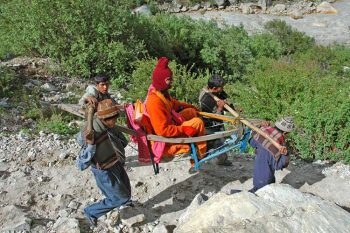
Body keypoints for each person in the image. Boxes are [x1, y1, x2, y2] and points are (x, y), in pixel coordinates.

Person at [76, 99, 132, 227]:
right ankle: (91, 212)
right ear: (104, 119)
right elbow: (81, 163)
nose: (115, 121)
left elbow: (122, 142)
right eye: (113, 118)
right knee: (118, 198)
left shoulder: (108, 126)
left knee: (126, 189)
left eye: (115, 117)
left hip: (115, 162)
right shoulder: (92, 131)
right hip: (103, 170)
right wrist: (90, 145)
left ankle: (124, 202)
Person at [145, 57, 207, 161]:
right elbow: (162, 131)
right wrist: (183, 129)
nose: (172, 81)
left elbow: (174, 104)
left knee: (191, 112)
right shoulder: (154, 101)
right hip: (165, 137)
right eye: (169, 79)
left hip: (172, 123)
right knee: (198, 122)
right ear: (163, 81)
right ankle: (200, 153)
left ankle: (196, 138)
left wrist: (191, 106)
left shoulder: (161, 93)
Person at [248, 116, 294, 193]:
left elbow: (252, 142)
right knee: (261, 193)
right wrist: (286, 154)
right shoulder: (281, 146)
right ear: (285, 133)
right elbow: (279, 165)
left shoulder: (262, 130)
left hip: (258, 178)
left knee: (257, 189)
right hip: (266, 181)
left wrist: (259, 127)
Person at [198, 74, 232, 166]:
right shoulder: (206, 99)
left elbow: (223, 98)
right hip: (211, 125)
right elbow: (213, 117)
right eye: (221, 88)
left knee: (218, 142)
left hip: (217, 123)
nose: (222, 89)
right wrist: (220, 108)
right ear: (214, 88)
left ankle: (219, 158)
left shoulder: (215, 92)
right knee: (218, 142)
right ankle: (220, 160)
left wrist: (229, 106)